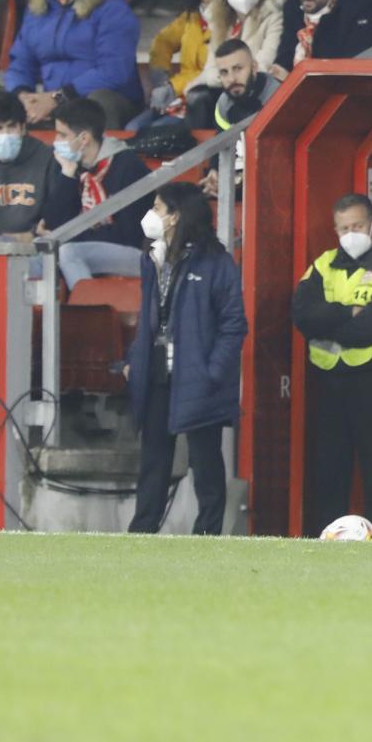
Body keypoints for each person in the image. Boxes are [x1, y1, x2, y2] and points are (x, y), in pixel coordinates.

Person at [290, 192, 372, 536]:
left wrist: (329, 319)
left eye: (358, 225)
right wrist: (348, 312)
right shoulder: (323, 265)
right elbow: (301, 314)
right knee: (328, 471)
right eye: (344, 227)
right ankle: (325, 539)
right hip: (330, 383)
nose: (351, 233)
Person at [127, 187, 245, 530]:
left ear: (175, 215)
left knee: (206, 463)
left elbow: (234, 323)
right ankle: (141, 534)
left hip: (198, 376)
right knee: (153, 460)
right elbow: (147, 318)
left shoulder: (216, 262)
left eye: (157, 207)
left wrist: (213, 371)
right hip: (157, 375)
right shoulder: (151, 256)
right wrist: (135, 360)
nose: (151, 214)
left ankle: (207, 535)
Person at [4, 0, 143, 126]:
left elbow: (113, 72)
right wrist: (22, 95)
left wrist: (58, 97)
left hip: (103, 100)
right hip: (52, 101)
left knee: (99, 102)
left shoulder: (113, 10)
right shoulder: (39, 9)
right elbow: (20, 61)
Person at [52, 94, 151, 284]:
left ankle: (88, 308)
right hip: (88, 246)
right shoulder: (71, 164)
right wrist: (67, 174)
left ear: (84, 138)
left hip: (136, 253)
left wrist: (74, 234)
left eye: (63, 135)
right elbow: (55, 225)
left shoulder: (128, 166)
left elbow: (129, 234)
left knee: (68, 251)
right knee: (32, 258)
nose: (56, 140)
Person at [201, 0, 285, 71]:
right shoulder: (219, 22)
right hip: (223, 86)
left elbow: (263, 65)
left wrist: (228, 75)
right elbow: (210, 69)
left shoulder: (273, 18)